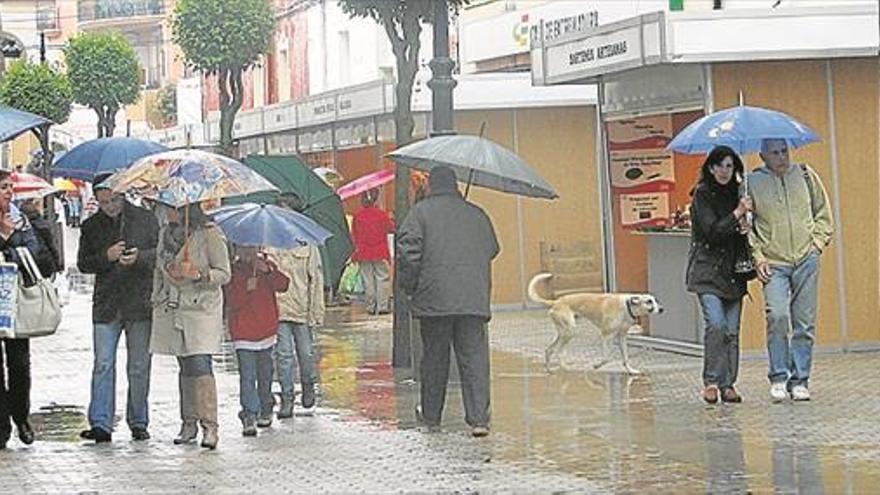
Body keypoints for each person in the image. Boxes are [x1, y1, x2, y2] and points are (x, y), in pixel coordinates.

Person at [397, 165, 500, 438]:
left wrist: (409, 287)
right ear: (455, 185)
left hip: (434, 299)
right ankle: (478, 419)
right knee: (474, 359)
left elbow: (408, 253)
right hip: (472, 299)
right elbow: (492, 248)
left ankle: (432, 416)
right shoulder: (477, 214)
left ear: (431, 185)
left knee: (434, 360)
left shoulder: (419, 214)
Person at [748, 138, 833, 402]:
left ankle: (800, 380)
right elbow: (747, 229)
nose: (782, 157)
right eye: (775, 153)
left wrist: (818, 243)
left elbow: (823, 212)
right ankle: (779, 377)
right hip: (774, 262)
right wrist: (758, 256)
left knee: (804, 323)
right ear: (763, 156)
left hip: (806, 258)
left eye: (784, 151)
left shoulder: (806, 175)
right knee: (778, 316)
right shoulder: (752, 183)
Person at [77, 175, 159, 443]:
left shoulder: (145, 218)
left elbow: (159, 254)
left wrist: (140, 258)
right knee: (103, 363)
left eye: (113, 200)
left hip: (139, 302)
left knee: (139, 366)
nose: (109, 206)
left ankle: (138, 420)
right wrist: (107, 256)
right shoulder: (91, 226)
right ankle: (101, 423)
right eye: (103, 202)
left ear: (122, 194)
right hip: (107, 304)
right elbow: (83, 263)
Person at [151, 202, 230, 449]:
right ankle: (188, 422)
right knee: (184, 362)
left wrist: (199, 274)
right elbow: (158, 268)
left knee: (200, 362)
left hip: (201, 307)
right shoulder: (165, 233)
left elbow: (224, 273)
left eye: (171, 208)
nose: (166, 213)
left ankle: (210, 426)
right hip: (173, 305)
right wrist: (162, 287)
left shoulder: (209, 233)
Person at [685, 146, 752, 404]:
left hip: (733, 272)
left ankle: (728, 384)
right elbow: (712, 231)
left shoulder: (739, 193)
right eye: (720, 165)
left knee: (732, 331)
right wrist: (736, 214)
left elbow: (738, 231)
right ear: (710, 168)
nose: (725, 171)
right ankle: (711, 381)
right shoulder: (702, 195)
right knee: (717, 324)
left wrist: (745, 224)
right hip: (707, 271)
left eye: (730, 166)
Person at [0, 170, 51, 450]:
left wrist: (10, 245)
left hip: (16, 298)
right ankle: (0, 426)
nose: (8, 192)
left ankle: (21, 416)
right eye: (2, 187)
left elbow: (34, 250)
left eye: (10, 187)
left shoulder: (20, 218)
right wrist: (4, 236)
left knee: (19, 364)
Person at [269, 193, 325, 418]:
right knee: (283, 355)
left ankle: (309, 385)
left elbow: (316, 278)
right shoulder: (269, 239)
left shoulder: (307, 242)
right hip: (279, 308)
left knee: (306, 353)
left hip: (302, 308)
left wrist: (316, 312)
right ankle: (287, 397)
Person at [224, 245, 289, 436]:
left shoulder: (266, 265)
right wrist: (247, 289)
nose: (247, 253)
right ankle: (249, 414)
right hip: (243, 332)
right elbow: (232, 301)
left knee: (265, 373)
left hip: (266, 330)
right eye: (244, 249)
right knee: (247, 376)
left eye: (251, 248)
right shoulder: (234, 271)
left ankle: (266, 407)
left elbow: (283, 285)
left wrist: (268, 272)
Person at [351, 189, 394, 315]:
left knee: (367, 279)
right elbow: (390, 228)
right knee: (382, 278)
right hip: (380, 251)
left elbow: (354, 235)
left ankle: (371, 306)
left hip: (364, 252)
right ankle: (382, 306)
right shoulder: (382, 214)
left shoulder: (358, 216)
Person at [18, 197, 62, 278]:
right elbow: (51, 245)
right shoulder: (43, 224)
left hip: (29, 262)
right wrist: (57, 265)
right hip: (44, 261)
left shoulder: (22, 226)